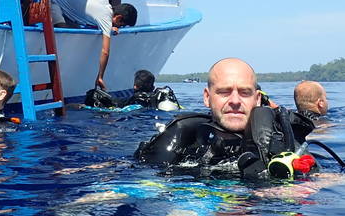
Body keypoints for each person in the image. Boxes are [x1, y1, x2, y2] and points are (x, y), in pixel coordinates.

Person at [134, 58, 329, 178]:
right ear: (207, 97)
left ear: (257, 99)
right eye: (224, 92)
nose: (235, 101)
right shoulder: (186, 134)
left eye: (244, 93)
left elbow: (329, 180)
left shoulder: (280, 136)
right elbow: (141, 181)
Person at [49, 0, 137, 90]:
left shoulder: (104, 1)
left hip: (63, 6)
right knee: (66, 34)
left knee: (77, 30)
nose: (120, 27)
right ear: (119, 17)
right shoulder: (105, 17)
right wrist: (100, 77)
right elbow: (105, 51)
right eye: (122, 25)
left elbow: (95, 15)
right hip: (52, 4)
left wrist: (110, 27)